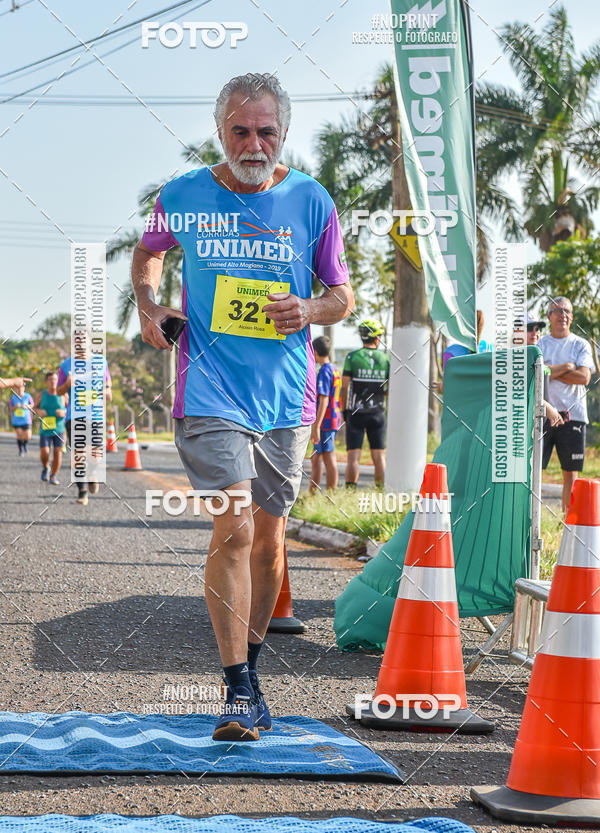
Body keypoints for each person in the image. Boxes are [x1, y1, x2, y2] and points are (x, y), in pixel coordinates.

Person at [131, 73, 353, 741]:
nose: (253, 143)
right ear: (220, 130)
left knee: (270, 538)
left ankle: (251, 673)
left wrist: (308, 308)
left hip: (287, 395)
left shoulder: (311, 201)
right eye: (240, 130)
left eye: (266, 132)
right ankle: (233, 688)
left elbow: (341, 297)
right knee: (235, 528)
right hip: (208, 390)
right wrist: (150, 307)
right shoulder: (184, 196)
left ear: (283, 135)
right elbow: (146, 254)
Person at [537, 297, 595, 513]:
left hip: (574, 417)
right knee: (534, 468)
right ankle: (533, 519)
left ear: (572, 316)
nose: (562, 315)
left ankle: (567, 520)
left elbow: (584, 377)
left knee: (570, 473)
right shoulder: (541, 344)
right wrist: (567, 367)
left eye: (566, 311)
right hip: (543, 413)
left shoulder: (580, 344)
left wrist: (551, 371)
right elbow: (538, 374)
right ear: (549, 316)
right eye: (557, 310)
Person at [57, 341, 112, 505]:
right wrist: (66, 384)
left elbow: (108, 386)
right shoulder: (66, 365)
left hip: (95, 415)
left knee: (96, 456)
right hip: (74, 416)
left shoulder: (101, 362)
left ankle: (92, 474)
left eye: (83, 341)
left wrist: (105, 391)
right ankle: (82, 491)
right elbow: (58, 391)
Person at [341, 319, 390, 489]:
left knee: (353, 457)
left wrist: (343, 410)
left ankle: (348, 493)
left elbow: (345, 386)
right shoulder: (385, 358)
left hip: (356, 413)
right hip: (377, 413)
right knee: (379, 457)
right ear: (376, 338)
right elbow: (389, 388)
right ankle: (380, 493)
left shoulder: (352, 357)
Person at [309, 335, 342, 493]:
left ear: (314, 352)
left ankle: (331, 494)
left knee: (328, 457)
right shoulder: (334, 369)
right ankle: (312, 493)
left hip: (326, 422)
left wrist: (316, 426)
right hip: (331, 419)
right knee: (316, 457)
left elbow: (324, 400)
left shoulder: (324, 371)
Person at [520, 313, 563, 428]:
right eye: (529, 329)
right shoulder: (515, 357)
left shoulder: (535, 356)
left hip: (536, 428)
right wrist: (546, 406)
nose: (535, 333)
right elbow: (520, 393)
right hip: (519, 428)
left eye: (537, 329)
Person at [35, 371, 66, 484]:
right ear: (46, 382)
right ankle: (46, 467)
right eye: (50, 379)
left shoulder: (63, 395)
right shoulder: (41, 395)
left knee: (58, 452)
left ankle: (53, 475)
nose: (53, 382)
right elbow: (33, 409)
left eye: (55, 379)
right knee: (45, 452)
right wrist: (39, 411)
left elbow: (70, 409)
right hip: (45, 429)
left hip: (59, 429)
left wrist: (64, 412)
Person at [9, 379, 34, 455]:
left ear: (24, 388)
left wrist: (26, 406)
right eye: (18, 388)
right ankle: (21, 450)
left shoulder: (28, 396)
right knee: (19, 435)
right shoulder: (13, 397)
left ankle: (25, 444)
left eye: (21, 387)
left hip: (26, 420)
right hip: (17, 420)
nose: (20, 389)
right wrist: (16, 407)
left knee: (28, 436)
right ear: (16, 389)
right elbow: (11, 408)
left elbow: (32, 405)